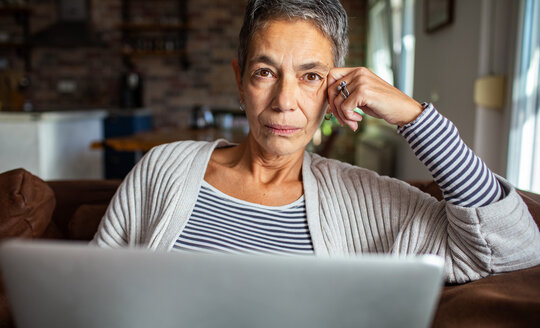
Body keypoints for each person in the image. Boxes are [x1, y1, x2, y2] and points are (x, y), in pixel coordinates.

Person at [92, 0, 540, 283]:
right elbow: (92, 294)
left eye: (310, 77)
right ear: (239, 80)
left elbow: (515, 248)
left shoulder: (362, 199)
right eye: (265, 72)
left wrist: (414, 117)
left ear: (335, 90)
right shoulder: (162, 168)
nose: (284, 101)